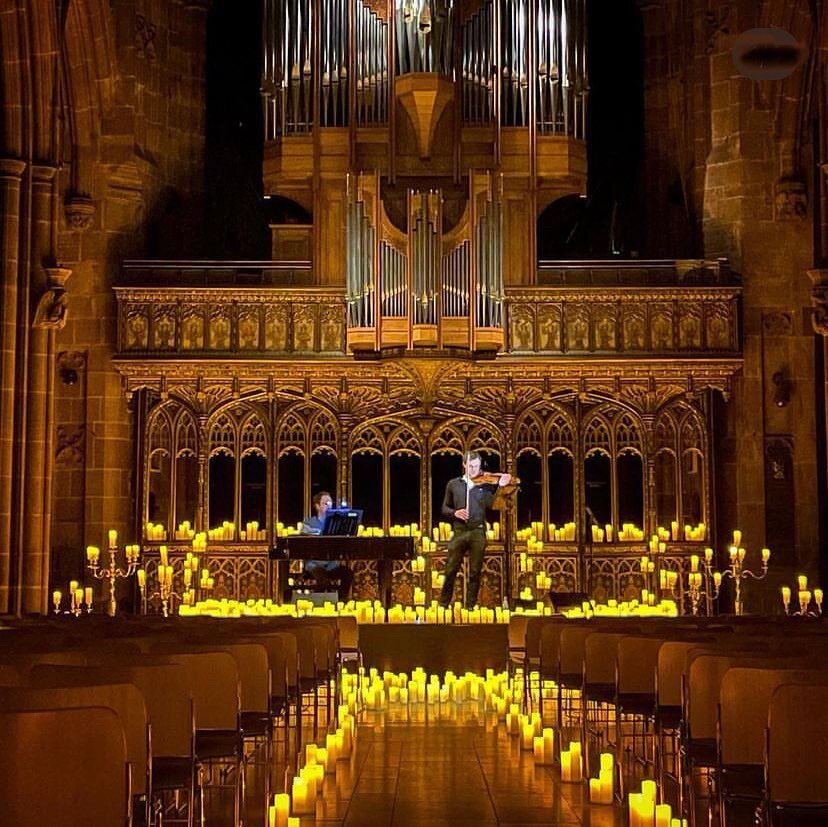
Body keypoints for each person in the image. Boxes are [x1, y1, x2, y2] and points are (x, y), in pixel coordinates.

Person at [439, 452, 511, 609]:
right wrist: (454, 513)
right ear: (464, 465)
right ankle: (443, 605)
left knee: (474, 572)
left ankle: (469, 606)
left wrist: (501, 487)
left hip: (478, 531)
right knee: (450, 569)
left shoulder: (484, 486)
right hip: (459, 531)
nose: (474, 470)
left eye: (477, 466)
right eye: (470, 466)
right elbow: (444, 508)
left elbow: (495, 505)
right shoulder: (453, 484)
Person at [300, 490, 354, 600]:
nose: (329, 506)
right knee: (323, 580)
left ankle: (341, 602)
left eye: (330, 503)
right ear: (317, 506)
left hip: (331, 564)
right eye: (326, 503)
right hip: (314, 564)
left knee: (348, 574)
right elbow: (304, 545)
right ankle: (315, 604)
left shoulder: (336, 523)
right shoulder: (309, 524)